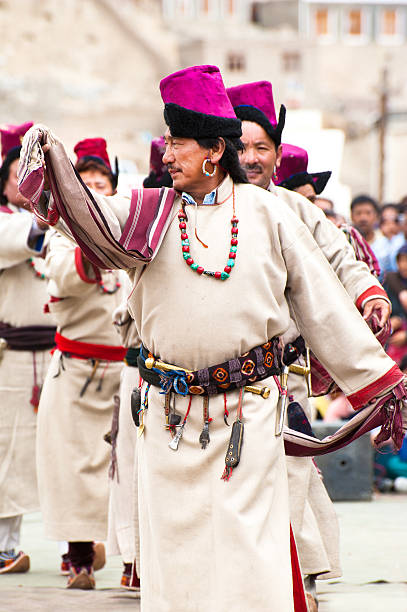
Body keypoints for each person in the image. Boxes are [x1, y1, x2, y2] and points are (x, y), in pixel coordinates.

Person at [19, 65, 406, 612]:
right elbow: (89, 217)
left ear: (212, 152)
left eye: (177, 143)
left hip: (248, 419)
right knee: (176, 569)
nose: (166, 155)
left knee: (251, 565)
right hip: (166, 424)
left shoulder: (271, 214)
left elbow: (322, 304)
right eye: (168, 142)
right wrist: (53, 165)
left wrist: (378, 383)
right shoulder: (148, 215)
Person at [227, 79, 390, 609]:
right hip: (204, 395)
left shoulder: (298, 211)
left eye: (261, 148)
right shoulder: (193, 210)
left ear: (276, 157)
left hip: (277, 387)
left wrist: (369, 293)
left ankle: (299, 592)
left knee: (290, 487)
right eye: (241, 146)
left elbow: (342, 259)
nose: (250, 158)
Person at [36, 137, 125, 590]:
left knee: (129, 469)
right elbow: (62, 277)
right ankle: (81, 558)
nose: (93, 188)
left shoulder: (131, 228)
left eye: (100, 181)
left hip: (126, 371)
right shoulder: (58, 232)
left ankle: (133, 560)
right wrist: (90, 245)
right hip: (75, 370)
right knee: (73, 470)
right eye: (83, 183)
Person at [0, 122, 56, 574]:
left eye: (37, 173)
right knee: (8, 451)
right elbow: (29, 238)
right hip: (10, 357)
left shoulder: (53, 223)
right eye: (21, 172)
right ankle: (5, 544)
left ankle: (75, 548)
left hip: (57, 356)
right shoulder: (7, 223)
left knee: (64, 452)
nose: (28, 180)